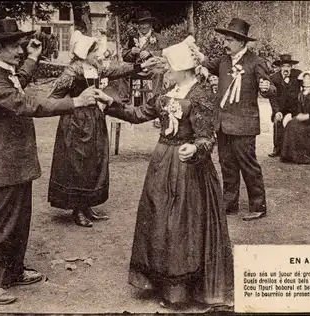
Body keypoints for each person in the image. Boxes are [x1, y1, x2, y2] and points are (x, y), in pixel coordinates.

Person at [0, 18, 99, 305]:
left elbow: (22, 81)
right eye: (17, 46)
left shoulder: (3, 72)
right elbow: (28, 105)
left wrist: (33, 56)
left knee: (19, 221)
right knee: (1, 222)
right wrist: (75, 103)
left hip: (18, 160)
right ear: (1, 47)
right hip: (5, 162)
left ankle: (13, 271)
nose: (21, 51)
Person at [100, 36, 233, 309]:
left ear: (182, 69)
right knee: (159, 217)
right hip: (161, 163)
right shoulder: (166, 95)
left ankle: (182, 290)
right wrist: (109, 103)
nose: (165, 72)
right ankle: (161, 281)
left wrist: (195, 149)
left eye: (168, 67)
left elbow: (207, 137)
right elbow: (138, 113)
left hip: (188, 169)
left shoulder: (201, 95)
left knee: (182, 223)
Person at [48, 34, 156, 227]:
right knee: (78, 164)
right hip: (75, 123)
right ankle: (78, 209)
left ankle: (87, 205)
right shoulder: (72, 71)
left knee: (93, 162)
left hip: (95, 119)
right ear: (84, 53)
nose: (97, 54)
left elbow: (117, 69)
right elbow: (52, 99)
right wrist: (75, 101)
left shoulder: (96, 67)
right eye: (93, 51)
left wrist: (139, 67)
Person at [196, 18, 276, 221]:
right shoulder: (223, 61)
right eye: (225, 39)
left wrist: (267, 89)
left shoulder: (255, 61)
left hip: (244, 125)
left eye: (230, 40)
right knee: (227, 165)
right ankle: (229, 204)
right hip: (222, 124)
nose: (225, 43)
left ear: (242, 42)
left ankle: (258, 206)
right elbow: (204, 62)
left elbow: (268, 85)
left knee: (248, 166)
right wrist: (193, 52)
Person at [123, 10, 167, 127]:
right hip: (137, 68)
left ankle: (156, 108)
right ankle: (126, 107)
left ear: (151, 24)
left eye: (145, 23)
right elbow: (124, 55)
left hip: (152, 68)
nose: (142, 26)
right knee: (122, 72)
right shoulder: (132, 38)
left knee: (158, 73)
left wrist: (150, 53)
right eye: (140, 23)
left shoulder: (158, 37)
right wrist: (131, 52)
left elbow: (165, 53)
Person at [280, 67, 310, 164]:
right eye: (305, 79)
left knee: (298, 128)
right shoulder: (301, 93)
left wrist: (308, 116)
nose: (306, 80)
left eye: (308, 79)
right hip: (304, 118)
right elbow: (299, 109)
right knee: (291, 124)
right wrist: (298, 115)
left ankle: (304, 156)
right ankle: (290, 155)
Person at [267, 54, 302, 158]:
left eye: (288, 66)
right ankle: (277, 149)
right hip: (280, 108)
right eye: (283, 66)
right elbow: (272, 97)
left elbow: (307, 84)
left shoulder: (298, 75)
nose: (286, 68)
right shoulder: (274, 78)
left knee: (298, 123)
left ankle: (295, 150)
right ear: (280, 67)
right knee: (277, 122)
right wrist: (277, 111)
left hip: (295, 107)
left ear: (291, 67)